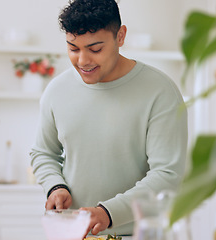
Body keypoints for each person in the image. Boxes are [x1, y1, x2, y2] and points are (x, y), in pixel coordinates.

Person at [30, 0, 187, 237]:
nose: (82, 61)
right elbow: (43, 153)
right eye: (73, 48)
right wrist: (55, 186)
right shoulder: (56, 90)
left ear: (120, 36)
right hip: (74, 234)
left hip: (138, 233)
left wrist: (107, 213)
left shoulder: (160, 91)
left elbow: (167, 174)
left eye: (95, 49)